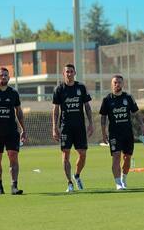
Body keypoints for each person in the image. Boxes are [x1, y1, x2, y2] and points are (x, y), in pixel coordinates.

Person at [0, 67, 27, 195]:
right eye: (1, 75)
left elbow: (19, 112)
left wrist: (24, 129)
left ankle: (14, 186)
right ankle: (0, 186)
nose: (3, 77)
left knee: (13, 156)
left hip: (11, 131)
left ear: (9, 78)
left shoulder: (13, 93)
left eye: (6, 75)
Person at [100, 75, 144, 190]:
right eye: (115, 82)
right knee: (116, 157)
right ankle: (118, 183)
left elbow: (136, 113)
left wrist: (142, 127)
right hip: (114, 134)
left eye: (119, 82)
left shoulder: (128, 98)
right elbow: (103, 117)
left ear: (123, 84)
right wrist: (103, 133)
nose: (117, 84)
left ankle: (123, 178)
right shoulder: (107, 100)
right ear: (112, 84)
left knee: (127, 158)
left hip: (127, 133)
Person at [52, 64, 94, 192]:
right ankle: (69, 182)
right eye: (67, 72)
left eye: (71, 71)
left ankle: (77, 175)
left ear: (75, 72)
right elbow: (55, 109)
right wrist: (54, 127)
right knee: (66, 154)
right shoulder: (59, 89)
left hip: (80, 127)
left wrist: (91, 123)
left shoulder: (81, 87)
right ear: (63, 74)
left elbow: (87, 106)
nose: (69, 74)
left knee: (82, 154)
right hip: (65, 127)